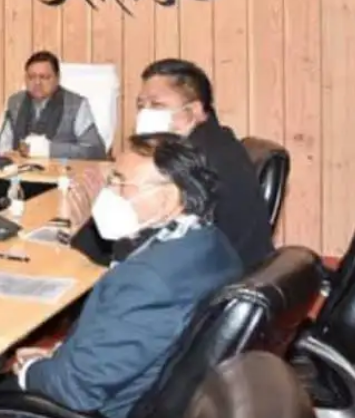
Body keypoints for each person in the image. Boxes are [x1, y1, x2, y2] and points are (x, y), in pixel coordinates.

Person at [0, 134, 243, 418]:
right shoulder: (211, 246)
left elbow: (75, 390)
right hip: (126, 401)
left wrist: (31, 368)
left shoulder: (150, 280)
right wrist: (60, 353)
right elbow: (127, 344)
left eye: (120, 183)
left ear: (168, 199)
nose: (109, 193)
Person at [69, 58, 274, 271]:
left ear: (193, 111)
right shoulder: (214, 141)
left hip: (212, 282)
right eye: (140, 106)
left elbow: (143, 249)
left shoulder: (195, 164)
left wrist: (88, 223)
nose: (144, 113)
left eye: (157, 105)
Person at [0, 51, 106, 160]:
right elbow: (0, 146)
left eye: (44, 77)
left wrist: (49, 150)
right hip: (20, 171)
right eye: (31, 77)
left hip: (63, 171)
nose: (37, 82)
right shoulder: (15, 102)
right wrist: (6, 154)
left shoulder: (76, 105)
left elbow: (96, 151)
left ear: (57, 78)